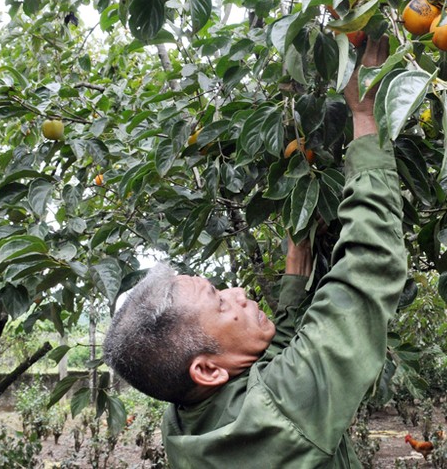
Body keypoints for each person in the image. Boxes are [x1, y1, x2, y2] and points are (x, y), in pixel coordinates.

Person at [103, 35, 407, 468]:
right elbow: (369, 272)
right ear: (206, 370)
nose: (238, 291)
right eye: (219, 300)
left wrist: (293, 286)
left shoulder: (186, 420)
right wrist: (364, 116)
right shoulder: (281, 413)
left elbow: (256, 376)